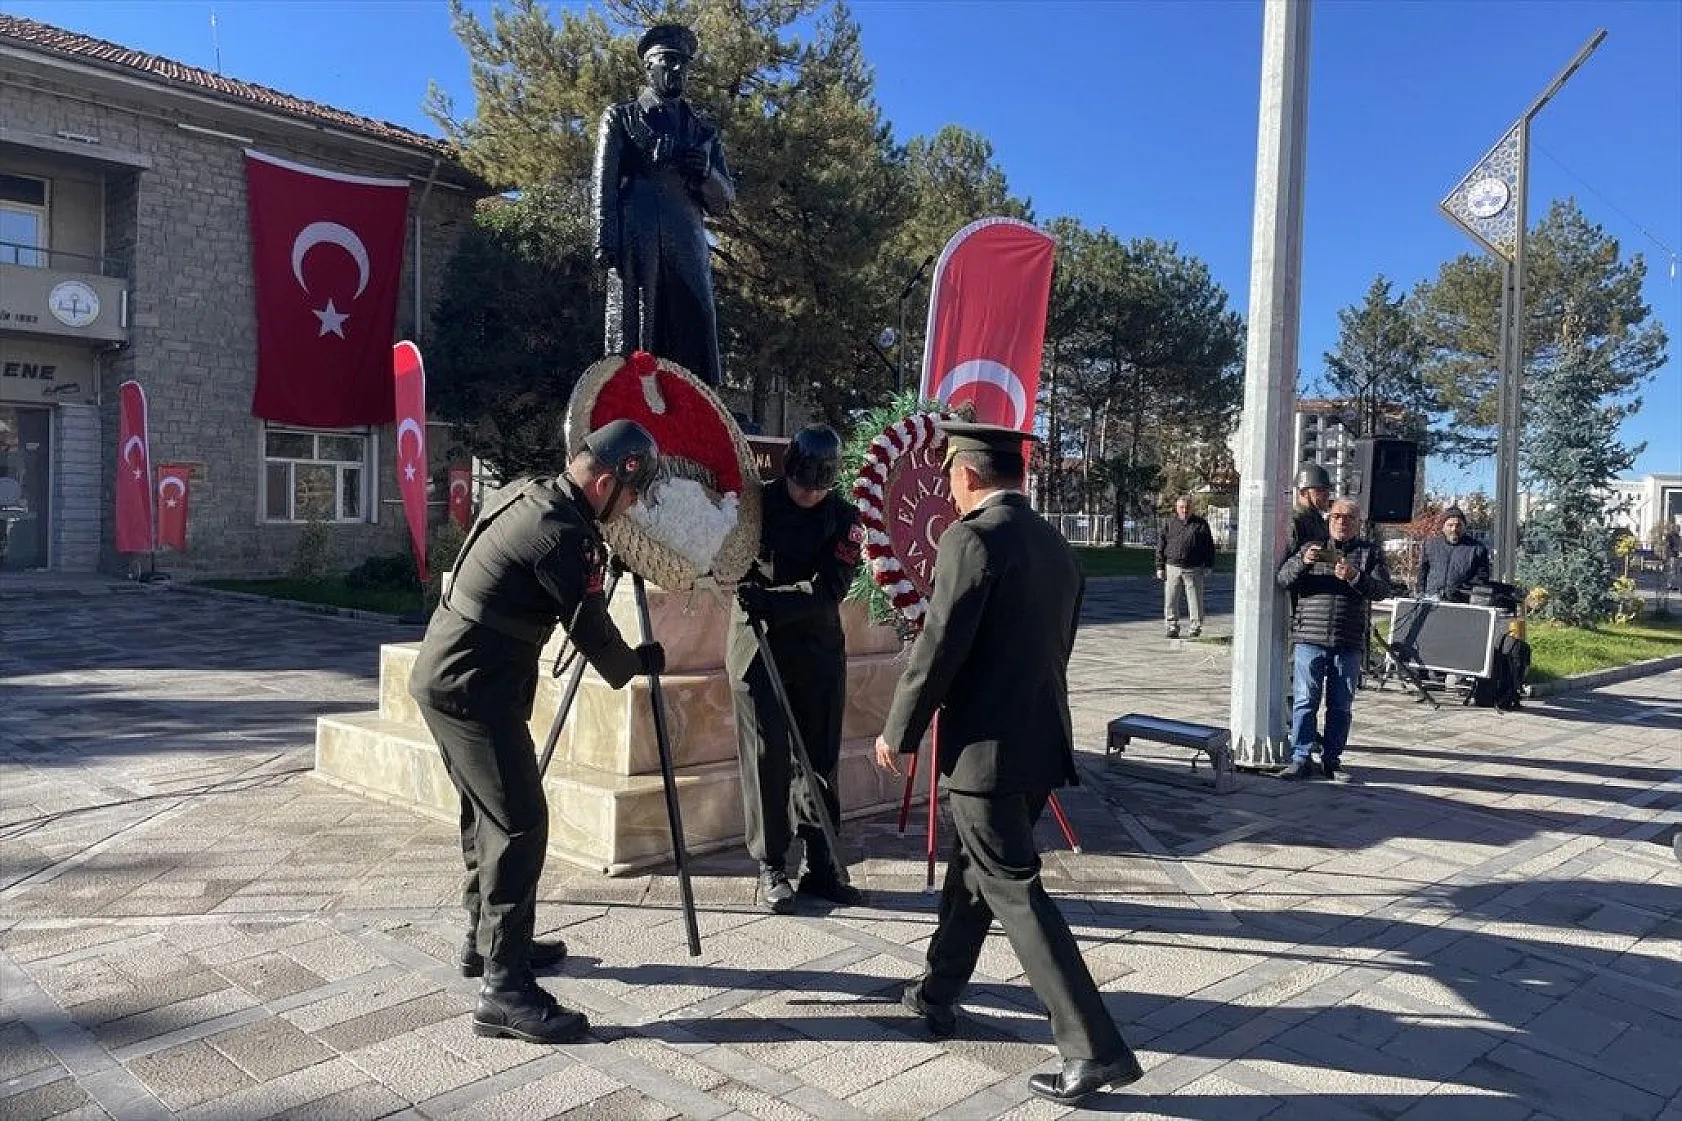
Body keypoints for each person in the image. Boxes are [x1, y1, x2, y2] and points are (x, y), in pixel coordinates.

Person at [873, 421, 1142, 1107]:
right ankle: (936, 991)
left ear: (965, 473)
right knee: (976, 874)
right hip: (1040, 743)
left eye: (949, 475)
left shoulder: (971, 539)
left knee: (1013, 888)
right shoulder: (1056, 545)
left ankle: (1093, 1048)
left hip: (985, 752)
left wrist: (899, 730)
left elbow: (939, 646)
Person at [409, 420, 667, 1045]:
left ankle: (485, 939)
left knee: (486, 813)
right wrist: (640, 661)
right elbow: (595, 638)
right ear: (606, 481)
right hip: (475, 688)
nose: (630, 508)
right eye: (630, 496)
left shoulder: (526, 493)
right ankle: (505, 990)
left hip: (448, 675)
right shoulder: (563, 534)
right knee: (519, 824)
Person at [730, 425, 866, 913]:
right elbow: (726, 557)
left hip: (814, 646)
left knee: (818, 757)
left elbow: (830, 587)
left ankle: (820, 861)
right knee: (766, 755)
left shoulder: (845, 520)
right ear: (786, 472)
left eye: (818, 486)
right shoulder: (754, 506)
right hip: (756, 644)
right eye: (801, 484)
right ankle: (770, 864)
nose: (808, 494)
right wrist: (738, 581)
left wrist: (773, 599)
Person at [593, 23, 735, 387]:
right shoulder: (622, 118)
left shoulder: (703, 131)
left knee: (695, 323)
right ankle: (631, 404)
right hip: (638, 234)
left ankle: (699, 403)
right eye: (668, 61)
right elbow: (603, 184)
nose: (677, 70)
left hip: (687, 235)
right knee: (638, 330)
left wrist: (707, 174)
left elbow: (725, 201)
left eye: (683, 64)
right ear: (648, 66)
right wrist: (603, 239)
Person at [1276, 497, 1392, 783]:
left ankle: (1332, 760)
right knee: (1304, 700)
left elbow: (1381, 590)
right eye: (1337, 516)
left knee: (1341, 704)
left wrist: (1355, 576)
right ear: (1329, 520)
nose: (1342, 521)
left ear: (1358, 523)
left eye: (1349, 517)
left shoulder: (1369, 553)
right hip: (1309, 638)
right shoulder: (1311, 549)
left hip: (1348, 641)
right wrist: (1303, 562)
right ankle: (1300, 757)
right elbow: (1282, 578)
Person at [1155, 494, 1216, 638]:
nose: (1184, 510)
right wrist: (1159, 566)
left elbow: (1209, 546)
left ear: (1191, 508)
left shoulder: (1200, 524)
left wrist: (1208, 565)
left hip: (1193, 567)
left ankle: (1195, 627)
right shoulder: (1170, 523)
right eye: (1181, 507)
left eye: (1187, 507)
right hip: (1172, 566)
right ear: (1177, 508)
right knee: (1171, 599)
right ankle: (1172, 627)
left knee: (1195, 599)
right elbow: (1161, 545)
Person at [1416, 505, 1491, 601]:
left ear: (1464, 527)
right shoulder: (1430, 545)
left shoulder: (1477, 549)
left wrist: (1461, 590)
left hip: (1461, 603)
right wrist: (1421, 593)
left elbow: (1481, 579)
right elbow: (1422, 572)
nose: (1454, 529)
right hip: (1432, 601)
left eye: (1458, 525)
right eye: (1450, 525)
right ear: (1443, 526)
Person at [1289, 462, 1333, 553]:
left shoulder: (1317, 519)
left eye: (1327, 490)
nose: (1326, 494)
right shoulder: (1294, 521)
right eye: (1320, 490)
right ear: (1303, 492)